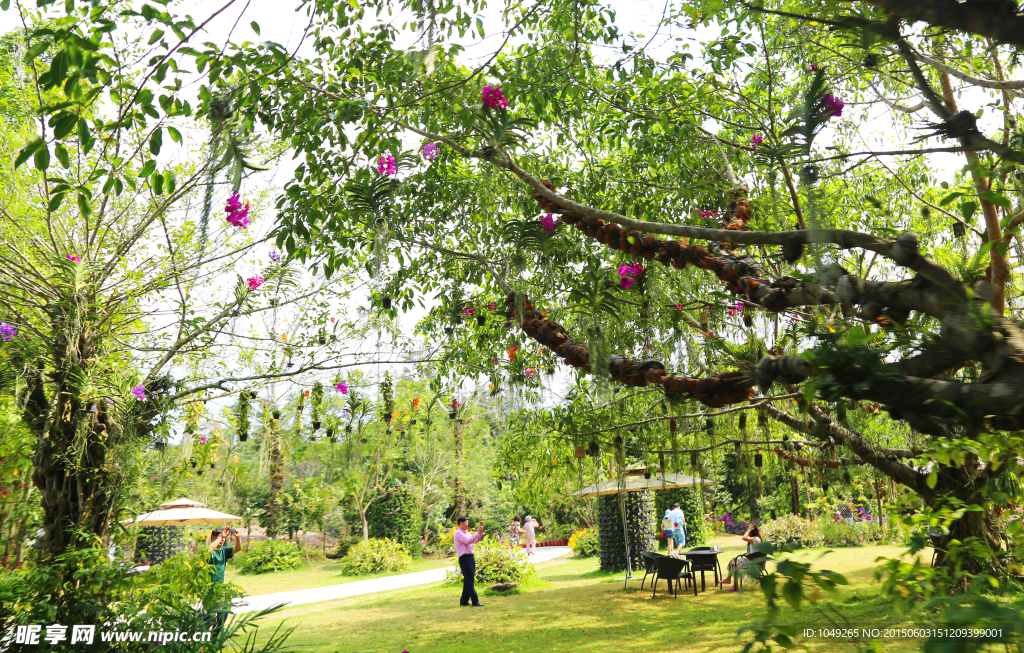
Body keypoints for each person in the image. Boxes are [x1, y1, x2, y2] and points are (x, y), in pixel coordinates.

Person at [208, 526, 241, 634]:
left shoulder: (223, 551)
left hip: (220, 590)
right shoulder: (208, 550)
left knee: (224, 611)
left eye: (223, 539)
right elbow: (208, 550)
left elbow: (238, 549)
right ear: (213, 537)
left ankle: (214, 638)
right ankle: (200, 639)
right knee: (209, 618)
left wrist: (237, 538)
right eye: (220, 538)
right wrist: (220, 537)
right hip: (208, 591)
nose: (222, 540)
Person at [453, 517, 485, 607]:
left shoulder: (467, 533)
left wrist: (480, 534)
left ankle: (464, 601)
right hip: (464, 558)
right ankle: (475, 600)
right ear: (460, 523)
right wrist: (477, 532)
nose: (467, 524)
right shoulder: (458, 533)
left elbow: (475, 540)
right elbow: (468, 541)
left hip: (470, 557)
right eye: (465, 523)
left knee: (468, 579)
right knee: (470, 580)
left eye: (468, 522)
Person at [719, 524, 761, 592]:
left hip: (753, 563)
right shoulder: (755, 539)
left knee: (735, 564)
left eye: (748, 530)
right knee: (734, 560)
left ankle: (734, 584)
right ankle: (728, 579)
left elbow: (744, 538)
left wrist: (749, 530)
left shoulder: (756, 539)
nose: (747, 532)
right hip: (750, 560)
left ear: (752, 531)